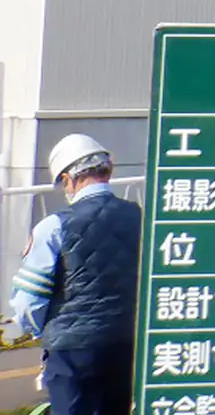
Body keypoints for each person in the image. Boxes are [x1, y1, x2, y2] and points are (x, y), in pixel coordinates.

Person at [9, 134, 142, 415]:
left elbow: (28, 301)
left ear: (68, 178)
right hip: (125, 343)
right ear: (108, 171)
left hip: (71, 352)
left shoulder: (54, 226)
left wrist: (40, 332)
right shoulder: (140, 217)